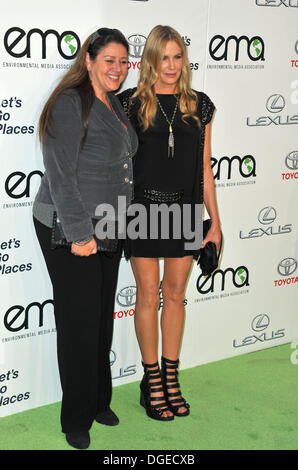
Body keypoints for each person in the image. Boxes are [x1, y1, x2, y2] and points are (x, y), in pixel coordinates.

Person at [33, 28, 138, 449]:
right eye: (109, 60)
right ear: (90, 59)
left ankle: (97, 401)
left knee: (99, 318)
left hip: (109, 225)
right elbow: (61, 175)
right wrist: (79, 234)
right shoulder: (69, 102)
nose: (117, 68)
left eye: (123, 61)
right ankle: (76, 418)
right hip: (67, 225)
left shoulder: (112, 102)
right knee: (79, 323)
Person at [118, 25, 221, 421]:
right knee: (147, 295)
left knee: (175, 294)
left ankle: (171, 377)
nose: (172, 66)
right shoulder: (129, 104)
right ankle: (152, 380)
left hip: (187, 211)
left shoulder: (201, 105)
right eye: (164, 57)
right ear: (151, 61)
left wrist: (215, 222)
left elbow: (205, 169)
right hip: (142, 212)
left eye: (178, 57)